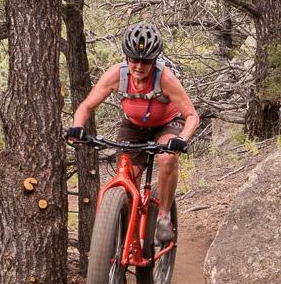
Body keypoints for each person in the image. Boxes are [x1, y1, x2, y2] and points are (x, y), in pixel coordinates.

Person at [64, 23, 199, 243]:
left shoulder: (165, 78)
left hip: (167, 123)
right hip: (133, 126)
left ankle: (164, 217)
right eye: (134, 59)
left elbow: (192, 115)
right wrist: (77, 126)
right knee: (127, 179)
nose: (139, 65)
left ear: (154, 60)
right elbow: (87, 105)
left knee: (167, 158)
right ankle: (131, 236)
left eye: (145, 61)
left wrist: (182, 139)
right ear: (126, 58)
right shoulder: (117, 75)